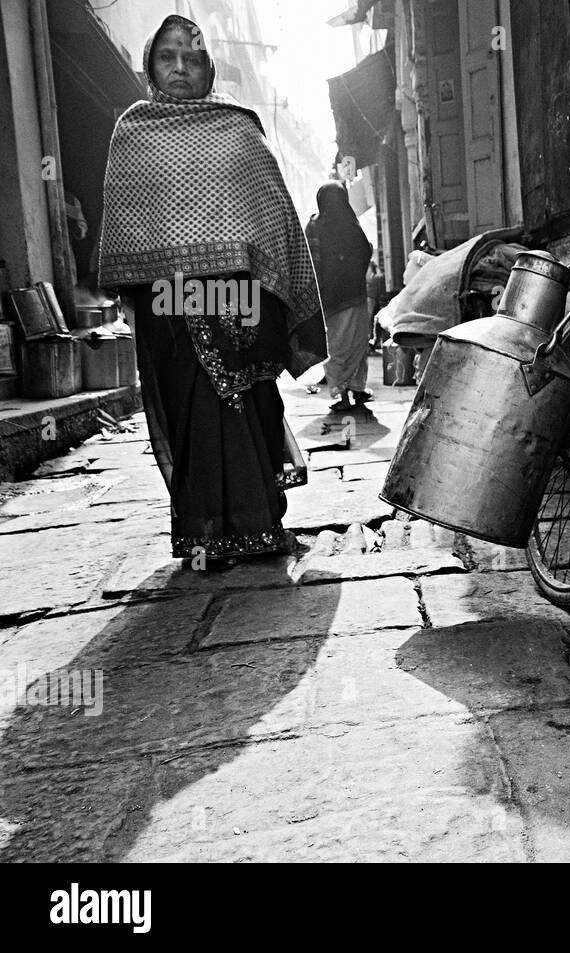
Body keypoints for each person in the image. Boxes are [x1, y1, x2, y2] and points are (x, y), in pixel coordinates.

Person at [97, 15, 326, 567]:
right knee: (194, 407)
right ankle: (205, 534)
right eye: (166, 57)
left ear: (208, 68)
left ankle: (256, 524)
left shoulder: (237, 127)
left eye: (191, 58)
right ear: (150, 65)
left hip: (238, 302)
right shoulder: (133, 130)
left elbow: (272, 216)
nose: (179, 68)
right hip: (168, 308)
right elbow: (126, 227)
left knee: (240, 399)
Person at [306, 181, 374, 412]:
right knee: (358, 344)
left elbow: (309, 262)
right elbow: (367, 250)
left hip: (331, 299)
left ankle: (342, 394)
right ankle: (357, 388)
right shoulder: (352, 225)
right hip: (355, 294)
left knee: (337, 346)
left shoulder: (315, 226)